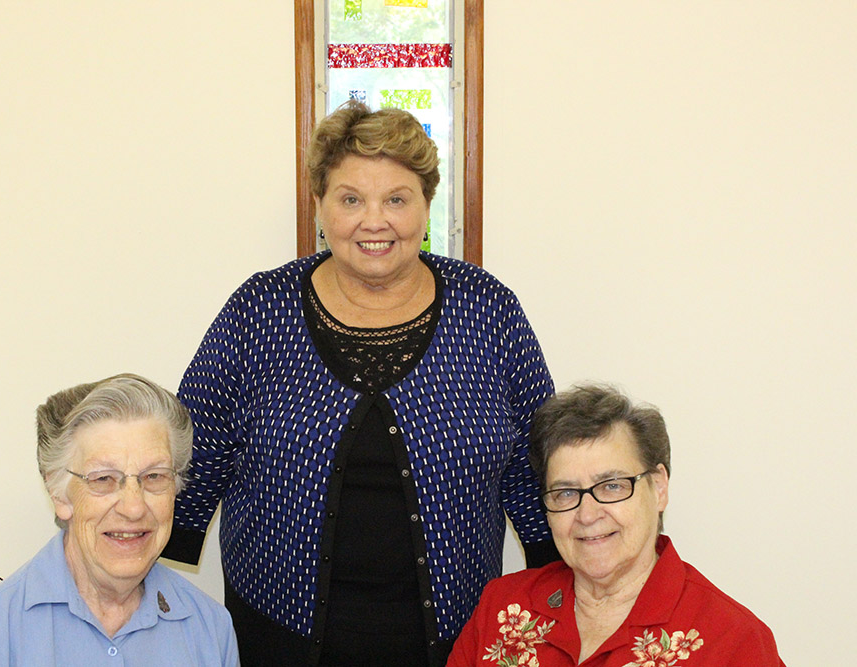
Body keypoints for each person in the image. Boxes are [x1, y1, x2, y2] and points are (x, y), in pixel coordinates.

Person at [162, 101, 556, 666]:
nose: (375, 221)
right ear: (319, 206)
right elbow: (192, 448)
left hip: (454, 635)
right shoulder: (260, 310)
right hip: (280, 630)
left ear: (425, 204)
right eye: (351, 200)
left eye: (397, 198)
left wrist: (565, 568)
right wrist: (140, 555)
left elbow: (538, 458)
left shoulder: (487, 308)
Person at [448, 384, 785, 666]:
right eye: (566, 493)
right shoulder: (502, 608)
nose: (588, 514)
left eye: (611, 486)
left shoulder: (732, 640)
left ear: (659, 487)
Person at [0, 374, 239, 666]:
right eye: (104, 478)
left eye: (154, 476)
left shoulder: (211, 629)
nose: (133, 508)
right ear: (58, 494)